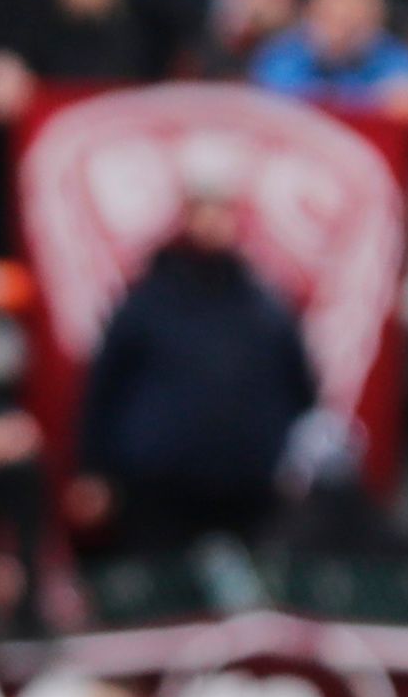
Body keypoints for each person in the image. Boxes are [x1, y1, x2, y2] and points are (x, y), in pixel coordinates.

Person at [73, 144, 321, 555]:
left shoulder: (265, 305)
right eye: (201, 208)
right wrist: (94, 470)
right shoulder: (147, 300)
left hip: (249, 495)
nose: (211, 222)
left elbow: (300, 389)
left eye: (221, 208)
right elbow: (105, 388)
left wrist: (291, 463)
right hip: (158, 495)